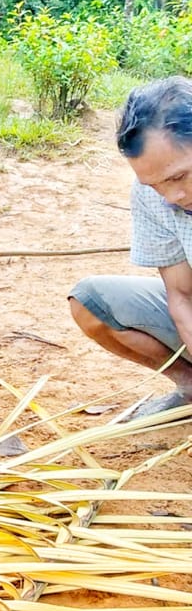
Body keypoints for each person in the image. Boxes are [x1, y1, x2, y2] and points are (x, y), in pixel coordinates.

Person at [70, 77, 192, 420]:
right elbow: (182, 296)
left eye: (179, 177)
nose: (172, 197)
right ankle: (190, 387)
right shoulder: (152, 197)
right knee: (91, 302)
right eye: (154, 185)